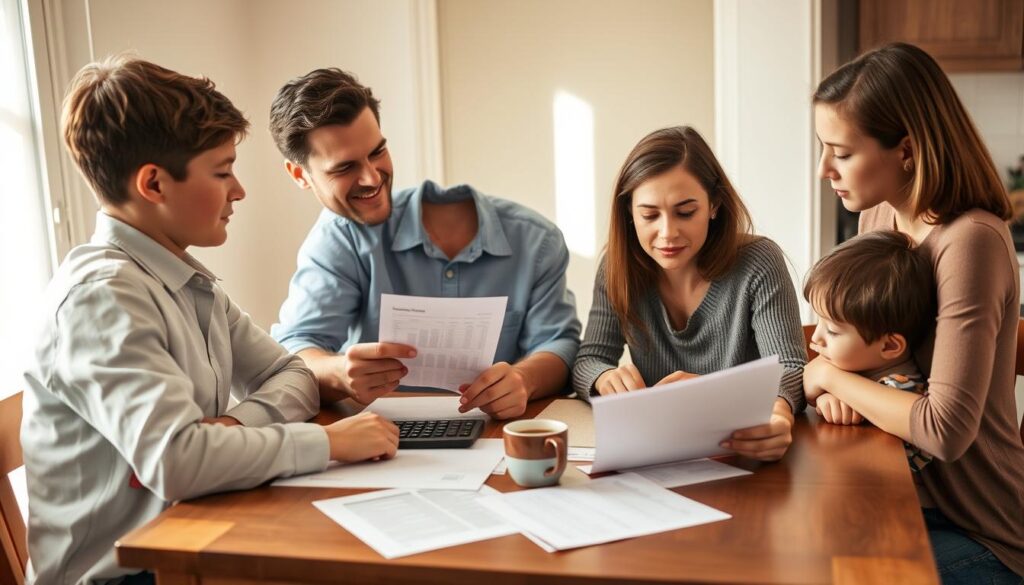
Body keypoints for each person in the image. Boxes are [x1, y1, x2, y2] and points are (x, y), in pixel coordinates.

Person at [21, 56, 398, 585]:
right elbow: (178, 462)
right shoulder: (101, 300)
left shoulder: (184, 281)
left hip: (197, 541)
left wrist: (233, 429)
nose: (239, 190)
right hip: (129, 575)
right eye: (222, 171)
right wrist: (331, 444)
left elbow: (294, 376)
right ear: (153, 184)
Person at [806, 42, 1024, 582]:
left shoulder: (969, 242)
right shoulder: (881, 214)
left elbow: (944, 429)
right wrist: (836, 386)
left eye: (842, 151)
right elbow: (868, 356)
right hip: (898, 493)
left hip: (978, 528)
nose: (823, 169)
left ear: (906, 149)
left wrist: (829, 374)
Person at [269, 68, 581, 420]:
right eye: (344, 168)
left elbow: (560, 344)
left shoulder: (535, 240)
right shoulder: (340, 236)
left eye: (378, 151)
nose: (372, 177)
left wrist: (523, 380)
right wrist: (339, 373)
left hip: (497, 434)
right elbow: (295, 350)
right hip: (376, 440)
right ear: (300, 175)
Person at [572, 126, 807, 462]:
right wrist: (604, 377)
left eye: (685, 212)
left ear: (714, 205)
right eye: (649, 215)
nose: (667, 233)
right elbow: (588, 360)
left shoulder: (758, 262)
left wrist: (778, 414)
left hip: (739, 456)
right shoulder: (617, 267)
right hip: (660, 460)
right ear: (629, 213)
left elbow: (791, 366)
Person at [803, 230, 936, 473]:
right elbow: (810, 381)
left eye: (832, 331)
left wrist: (827, 382)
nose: (816, 337)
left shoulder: (901, 391)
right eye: (819, 321)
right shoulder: (857, 368)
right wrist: (824, 396)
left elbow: (867, 464)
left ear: (889, 346)